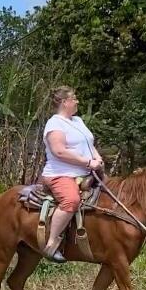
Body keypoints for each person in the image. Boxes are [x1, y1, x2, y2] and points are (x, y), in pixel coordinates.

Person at [41, 86, 103, 263]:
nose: (77, 101)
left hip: (86, 172)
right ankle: (51, 243)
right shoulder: (55, 124)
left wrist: (97, 158)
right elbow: (59, 151)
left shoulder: (77, 121)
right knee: (71, 200)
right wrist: (87, 162)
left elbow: (88, 144)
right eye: (74, 98)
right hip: (61, 174)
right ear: (64, 102)